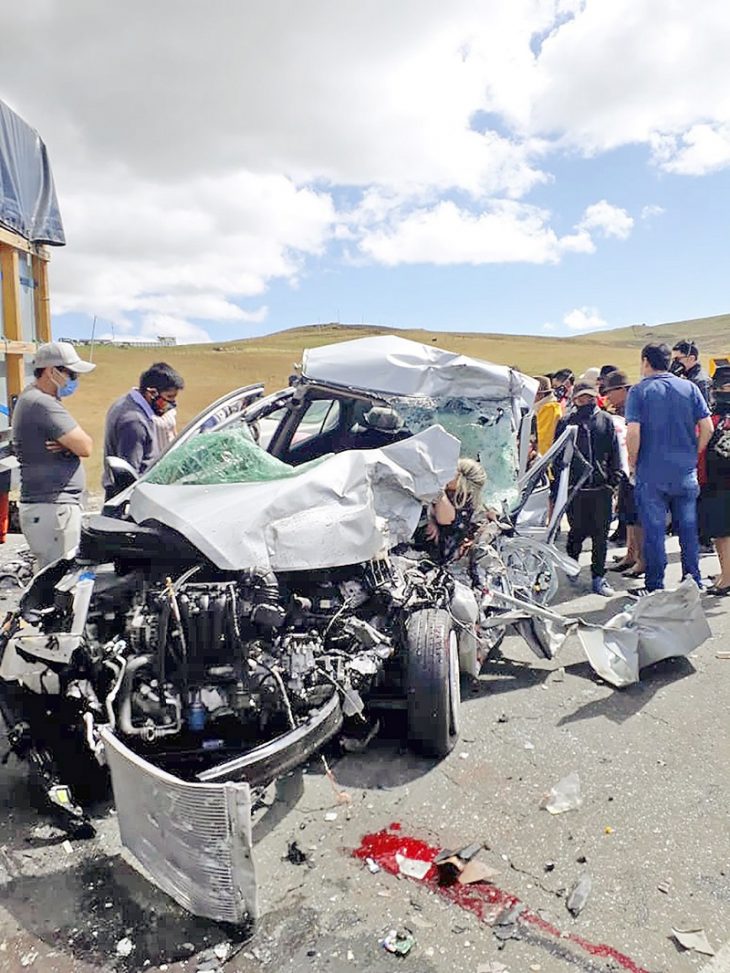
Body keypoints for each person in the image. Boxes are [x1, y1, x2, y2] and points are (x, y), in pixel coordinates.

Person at [625, 342, 713, 593]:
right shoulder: (689, 388)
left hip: (651, 472)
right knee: (688, 529)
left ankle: (655, 586)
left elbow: (633, 432)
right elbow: (707, 427)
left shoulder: (639, 391)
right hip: (684, 471)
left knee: (654, 532)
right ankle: (692, 580)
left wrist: (632, 461)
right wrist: (694, 452)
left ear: (645, 361)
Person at [11, 341, 95, 569]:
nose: (74, 380)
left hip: (48, 507)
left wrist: (66, 445)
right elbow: (85, 446)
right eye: (71, 374)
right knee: (59, 579)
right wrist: (71, 446)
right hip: (53, 508)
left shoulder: (32, 398)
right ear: (51, 371)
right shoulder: (42, 403)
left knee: (52, 576)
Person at [550, 381, 623, 596]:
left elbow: (614, 451)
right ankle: (572, 565)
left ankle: (598, 576)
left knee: (601, 536)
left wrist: (613, 480)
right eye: (581, 398)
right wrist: (562, 483)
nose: (586, 401)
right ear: (575, 399)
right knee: (576, 532)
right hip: (576, 490)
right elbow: (558, 455)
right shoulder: (566, 422)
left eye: (589, 397)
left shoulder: (605, 420)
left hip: (601, 488)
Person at [102, 362, 184, 499]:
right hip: (131, 498)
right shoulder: (135, 422)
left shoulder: (125, 402)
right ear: (152, 393)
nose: (172, 403)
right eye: (169, 397)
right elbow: (128, 476)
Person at [602, 370, 645, 578]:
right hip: (627, 467)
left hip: (637, 465)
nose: (607, 397)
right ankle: (631, 554)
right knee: (627, 513)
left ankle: (641, 560)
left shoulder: (635, 406)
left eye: (610, 392)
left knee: (637, 514)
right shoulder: (621, 409)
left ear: (622, 390)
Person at [697, 366, 730, 595]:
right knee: (720, 533)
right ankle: (725, 572)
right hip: (715, 481)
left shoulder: (712, 419)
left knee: (722, 533)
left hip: (717, 482)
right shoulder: (712, 417)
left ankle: (727, 578)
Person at [531, 376, 562, 458]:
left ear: (540, 395)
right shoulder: (544, 407)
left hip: (545, 457)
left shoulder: (548, 409)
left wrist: (540, 460)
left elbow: (544, 440)